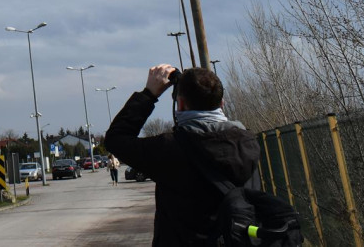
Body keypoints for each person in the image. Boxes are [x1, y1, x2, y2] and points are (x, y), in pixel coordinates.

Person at [104, 64, 260, 246]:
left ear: (180, 104)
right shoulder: (247, 143)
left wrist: (149, 94)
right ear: (222, 104)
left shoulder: (168, 149)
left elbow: (115, 139)